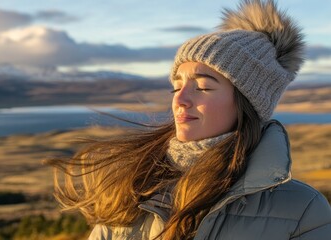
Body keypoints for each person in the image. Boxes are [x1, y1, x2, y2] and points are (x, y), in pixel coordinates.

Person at [45, 0, 331, 239]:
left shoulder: (303, 210)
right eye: (176, 85)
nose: (180, 100)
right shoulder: (132, 187)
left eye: (203, 87)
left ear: (248, 103)